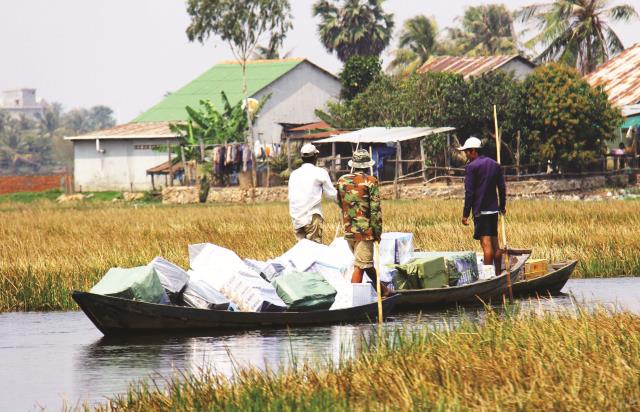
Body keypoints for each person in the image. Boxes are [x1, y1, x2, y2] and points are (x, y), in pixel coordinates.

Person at [337, 149, 391, 296]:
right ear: (367, 165)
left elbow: (340, 203)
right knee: (360, 266)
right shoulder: (370, 181)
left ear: (353, 165)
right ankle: (351, 299)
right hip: (365, 232)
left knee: (365, 263)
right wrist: (377, 232)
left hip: (349, 231)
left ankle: (383, 291)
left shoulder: (341, 180)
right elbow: (375, 210)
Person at [458, 137, 506, 276]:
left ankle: (488, 277)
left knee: (486, 246)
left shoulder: (472, 167)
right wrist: (502, 206)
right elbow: (502, 188)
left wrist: (465, 214)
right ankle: (497, 273)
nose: (466, 155)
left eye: (467, 152)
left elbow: (469, 192)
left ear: (473, 151)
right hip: (493, 210)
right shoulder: (495, 165)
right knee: (496, 244)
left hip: (481, 211)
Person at [287, 143, 337, 243]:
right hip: (312, 217)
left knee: (302, 253)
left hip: (296, 219)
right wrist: (344, 198)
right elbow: (331, 195)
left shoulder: (294, 174)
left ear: (302, 157)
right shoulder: (320, 172)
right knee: (315, 252)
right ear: (315, 156)